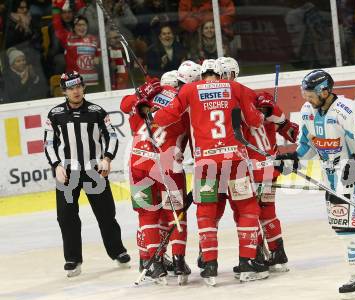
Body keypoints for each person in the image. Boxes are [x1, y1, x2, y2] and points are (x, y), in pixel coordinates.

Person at [276, 69, 355, 300]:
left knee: (346, 228)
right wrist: (294, 158)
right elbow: (307, 146)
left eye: (311, 94)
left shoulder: (346, 110)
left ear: (326, 91)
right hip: (330, 177)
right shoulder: (308, 111)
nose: (307, 99)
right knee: (341, 226)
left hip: (352, 176)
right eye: (304, 94)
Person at [154, 59, 266, 285]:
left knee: (206, 212)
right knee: (246, 207)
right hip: (235, 160)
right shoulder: (233, 87)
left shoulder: (188, 89)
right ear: (220, 74)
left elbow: (164, 118)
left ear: (202, 75)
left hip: (205, 162)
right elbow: (254, 120)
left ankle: (210, 265)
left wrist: (153, 116)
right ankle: (247, 263)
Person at [215, 57, 299, 275]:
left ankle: (257, 256)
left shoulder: (232, 100)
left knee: (247, 212)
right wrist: (273, 112)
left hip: (250, 168)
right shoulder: (258, 97)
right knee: (267, 211)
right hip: (270, 166)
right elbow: (287, 126)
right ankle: (278, 254)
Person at [43, 71, 130, 278]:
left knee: (106, 214)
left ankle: (117, 251)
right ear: (64, 91)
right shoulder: (54, 115)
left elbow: (112, 136)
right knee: (66, 217)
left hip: (94, 171)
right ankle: (72, 259)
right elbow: (48, 143)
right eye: (71, 88)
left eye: (78, 86)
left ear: (83, 87)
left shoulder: (96, 111)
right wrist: (56, 165)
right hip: (67, 173)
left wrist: (107, 158)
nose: (76, 91)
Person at [119, 74, 196, 285]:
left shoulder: (151, 97)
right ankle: (177, 259)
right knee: (175, 214)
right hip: (167, 166)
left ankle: (153, 262)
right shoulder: (186, 102)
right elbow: (192, 139)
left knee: (147, 214)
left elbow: (126, 106)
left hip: (138, 162)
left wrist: (142, 94)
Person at [52, 2, 101, 88]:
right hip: (74, 81)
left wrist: (98, 58)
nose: (81, 28)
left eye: (83, 25)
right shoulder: (68, 38)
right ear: (74, 27)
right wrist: (55, 8)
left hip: (93, 81)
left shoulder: (94, 40)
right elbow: (57, 26)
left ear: (87, 26)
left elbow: (99, 57)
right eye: (78, 25)